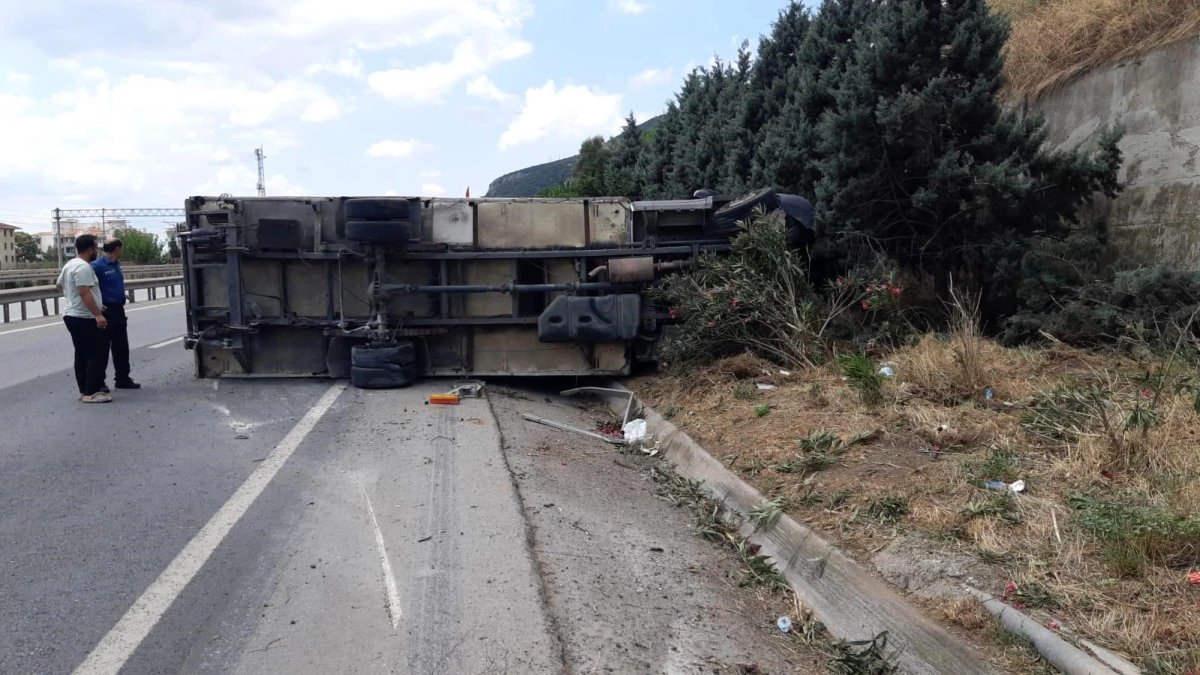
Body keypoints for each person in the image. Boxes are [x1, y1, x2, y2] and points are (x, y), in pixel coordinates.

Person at [56, 234, 111, 403]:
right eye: (96, 248)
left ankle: (84, 391)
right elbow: (84, 292)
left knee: (81, 354)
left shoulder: (70, 265)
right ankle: (92, 392)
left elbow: (59, 285)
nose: (97, 251)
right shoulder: (84, 267)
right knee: (94, 354)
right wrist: (97, 314)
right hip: (84, 317)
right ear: (90, 249)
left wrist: (93, 304)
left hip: (72, 315)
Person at [92, 239, 141, 390]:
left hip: (119, 309)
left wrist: (121, 295)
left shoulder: (116, 264)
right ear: (117, 248)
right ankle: (99, 382)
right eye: (122, 248)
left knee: (121, 346)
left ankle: (122, 378)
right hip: (106, 311)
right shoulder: (97, 266)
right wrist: (98, 307)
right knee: (102, 348)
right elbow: (89, 286)